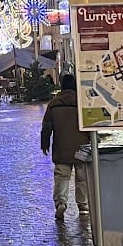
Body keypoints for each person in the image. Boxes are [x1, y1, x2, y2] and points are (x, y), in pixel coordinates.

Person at [40, 73, 89, 220]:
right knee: (82, 177)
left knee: (62, 176)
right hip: (82, 147)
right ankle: (83, 205)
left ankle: (61, 202)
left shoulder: (54, 104)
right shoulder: (82, 103)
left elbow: (47, 126)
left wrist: (45, 143)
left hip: (61, 146)